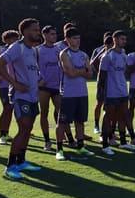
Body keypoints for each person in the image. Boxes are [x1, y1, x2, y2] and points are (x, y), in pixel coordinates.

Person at [0, 18, 43, 180]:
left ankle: (21, 161)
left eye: (38, 29)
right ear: (25, 32)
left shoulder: (33, 50)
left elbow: (32, 70)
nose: (38, 32)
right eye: (35, 30)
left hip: (33, 95)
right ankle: (10, 167)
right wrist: (14, 83)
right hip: (20, 96)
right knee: (23, 128)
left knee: (28, 129)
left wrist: (38, 80)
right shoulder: (17, 48)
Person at [55, 27, 96, 161]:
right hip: (68, 93)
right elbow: (70, 73)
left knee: (80, 121)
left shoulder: (84, 55)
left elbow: (90, 74)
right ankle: (59, 149)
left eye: (78, 38)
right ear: (67, 39)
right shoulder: (64, 53)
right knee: (62, 122)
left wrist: (80, 70)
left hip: (82, 93)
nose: (77, 41)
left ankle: (80, 146)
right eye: (74, 38)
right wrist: (83, 70)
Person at [98, 30, 135, 154]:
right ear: (115, 40)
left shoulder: (123, 54)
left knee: (124, 115)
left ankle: (123, 142)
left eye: (125, 39)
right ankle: (105, 144)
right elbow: (101, 76)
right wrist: (101, 92)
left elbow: (124, 71)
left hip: (123, 91)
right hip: (111, 92)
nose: (124, 41)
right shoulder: (107, 56)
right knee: (108, 117)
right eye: (122, 39)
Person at [36, 25, 63, 151]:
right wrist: (38, 80)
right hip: (44, 87)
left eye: (55, 34)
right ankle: (47, 141)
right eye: (51, 34)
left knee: (61, 113)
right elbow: (31, 67)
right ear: (44, 35)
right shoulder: (37, 50)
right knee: (44, 113)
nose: (54, 36)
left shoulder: (59, 50)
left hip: (57, 86)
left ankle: (64, 137)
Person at [90, 32, 113, 134]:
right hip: (102, 80)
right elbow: (92, 64)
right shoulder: (98, 50)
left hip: (113, 81)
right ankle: (96, 124)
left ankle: (110, 124)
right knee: (99, 103)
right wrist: (103, 51)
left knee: (111, 105)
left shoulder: (116, 51)